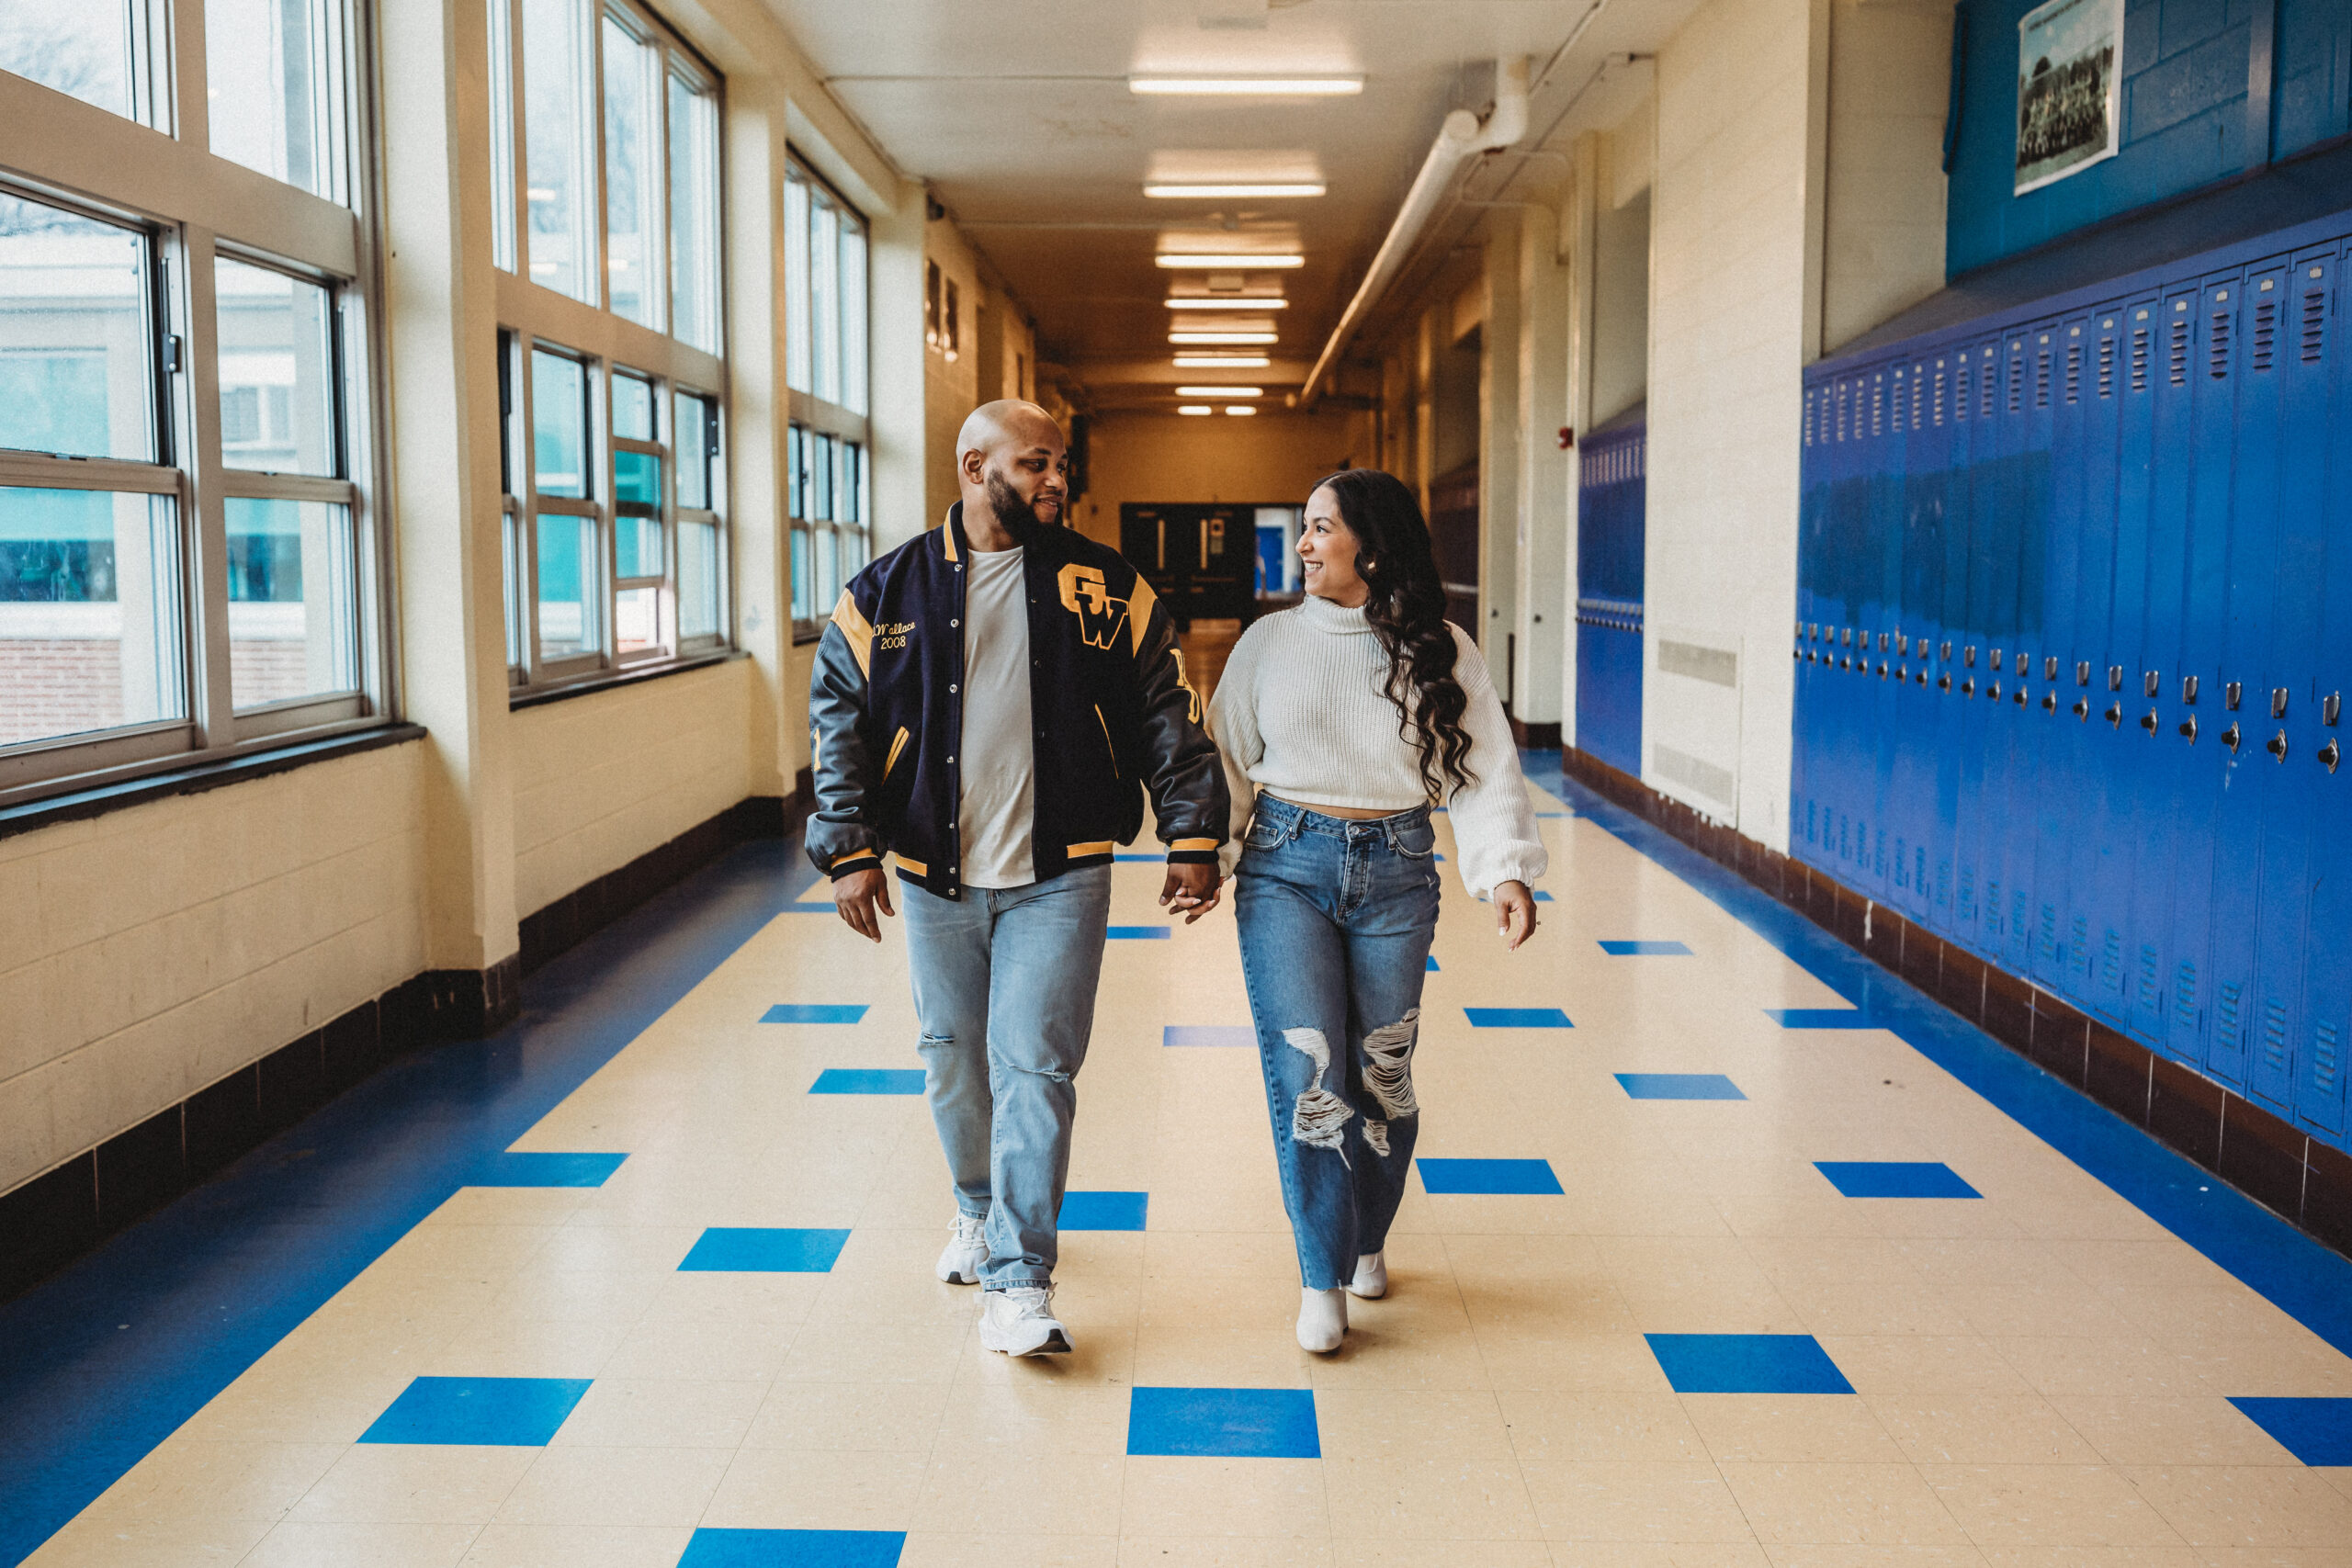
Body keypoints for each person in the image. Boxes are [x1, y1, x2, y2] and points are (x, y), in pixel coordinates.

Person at [807, 400, 1228, 1357]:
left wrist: (1193, 832)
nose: (1055, 481)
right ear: (972, 466)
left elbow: (1167, 706)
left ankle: (1019, 1281)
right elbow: (838, 718)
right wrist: (848, 846)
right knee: (951, 1058)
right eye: (1035, 463)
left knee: (1035, 1067)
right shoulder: (885, 592)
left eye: (1061, 465)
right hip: (932, 871)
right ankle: (974, 1207)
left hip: (1063, 867)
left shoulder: (1103, 585)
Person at [1209, 468, 1545, 1353]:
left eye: (1321, 528)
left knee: (1381, 1076)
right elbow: (1227, 763)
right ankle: (1321, 1277)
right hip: (1285, 866)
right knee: (1310, 1076)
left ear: (1372, 542)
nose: (1305, 544)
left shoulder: (1441, 647)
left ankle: (1366, 1234)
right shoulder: (1268, 643)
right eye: (1305, 527)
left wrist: (1504, 869)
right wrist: (1204, 854)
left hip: (1398, 868)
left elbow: (1482, 768)